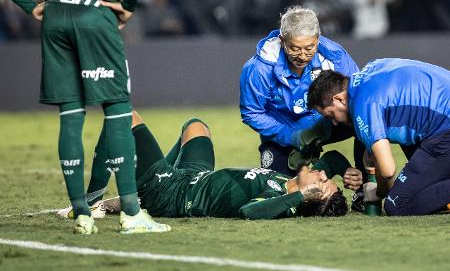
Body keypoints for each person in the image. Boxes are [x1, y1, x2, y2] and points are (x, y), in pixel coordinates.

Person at [0, 0, 170, 235]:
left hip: (56, 17)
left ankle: (81, 213)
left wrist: (30, 6)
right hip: (94, 15)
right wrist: (126, 4)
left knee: (70, 117)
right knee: (117, 109)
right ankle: (131, 213)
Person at [59, 111, 363, 220]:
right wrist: (349, 171)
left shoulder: (278, 203)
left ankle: (91, 200)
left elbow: (249, 211)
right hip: (194, 176)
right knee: (196, 126)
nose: (322, 173)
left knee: (124, 115)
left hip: (171, 193)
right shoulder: (288, 180)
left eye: (322, 182)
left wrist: (300, 198)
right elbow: (333, 161)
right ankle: (135, 194)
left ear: (311, 195)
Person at [239, 6, 366, 211]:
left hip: (327, 123)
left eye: (309, 47)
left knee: (362, 121)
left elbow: (356, 96)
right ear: (282, 40)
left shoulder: (335, 57)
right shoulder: (258, 69)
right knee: (282, 190)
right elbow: (251, 112)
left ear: (318, 38)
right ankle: (326, 166)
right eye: (294, 48)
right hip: (284, 134)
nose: (302, 55)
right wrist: (289, 135)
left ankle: (364, 190)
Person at [307, 58, 450, 216]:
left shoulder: (363, 105)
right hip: (439, 121)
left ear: (339, 99)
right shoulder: (372, 67)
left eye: (330, 115)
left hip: (444, 129)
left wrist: (380, 192)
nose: (334, 123)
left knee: (397, 203)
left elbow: (388, 171)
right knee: (425, 189)